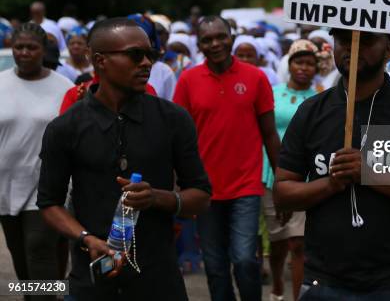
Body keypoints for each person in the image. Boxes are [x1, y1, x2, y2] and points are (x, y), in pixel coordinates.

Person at [274, 28, 390, 300]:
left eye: (366, 40)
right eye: (343, 40)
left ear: (389, 50)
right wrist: (331, 183)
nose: (352, 47)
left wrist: (370, 173)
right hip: (322, 280)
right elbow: (283, 193)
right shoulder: (312, 112)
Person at [37, 18, 211, 300]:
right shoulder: (66, 127)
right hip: (93, 280)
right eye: (134, 55)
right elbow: (48, 203)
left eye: (150, 54)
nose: (146, 63)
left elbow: (201, 196)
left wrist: (157, 198)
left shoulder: (173, 120)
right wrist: (86, 238)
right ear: (100, 60)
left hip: (158, 280)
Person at [173, 15, 281, 301]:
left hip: (246, 186)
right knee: (215, 265)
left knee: (245, 258)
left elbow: (270, 134)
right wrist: (177, 184)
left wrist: (282, 181)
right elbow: (178, 138)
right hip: (203, 189)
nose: (215, 43)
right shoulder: (188, 80)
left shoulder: (255, 77)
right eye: (207, 39)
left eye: (221, 36)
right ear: (199, 45)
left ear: (231, 37)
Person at [0, 23, 73, 299]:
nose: (25, 52)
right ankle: (40, 295)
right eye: (19, 47)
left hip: (47, 188)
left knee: (39, 247)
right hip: (6, 188)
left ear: (44, 50)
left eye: (32, 47)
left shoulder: (63, 87)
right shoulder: (1, 83)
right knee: (21, 259)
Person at [264, 40, 319, 301]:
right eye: (299, 62)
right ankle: (277, 286)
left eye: (310, 63)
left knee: (299, 243)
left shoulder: (321, 97)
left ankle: (298, 298)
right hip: (271, 173)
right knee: (278, 243)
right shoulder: (272, 93)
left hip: (305, 176)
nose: (304, 68)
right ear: (290, 64)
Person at [128, 14, 176, 101]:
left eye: (160, 32)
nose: (146, 63)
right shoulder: (114, 70)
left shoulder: (164, 72)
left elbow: (171, 109)